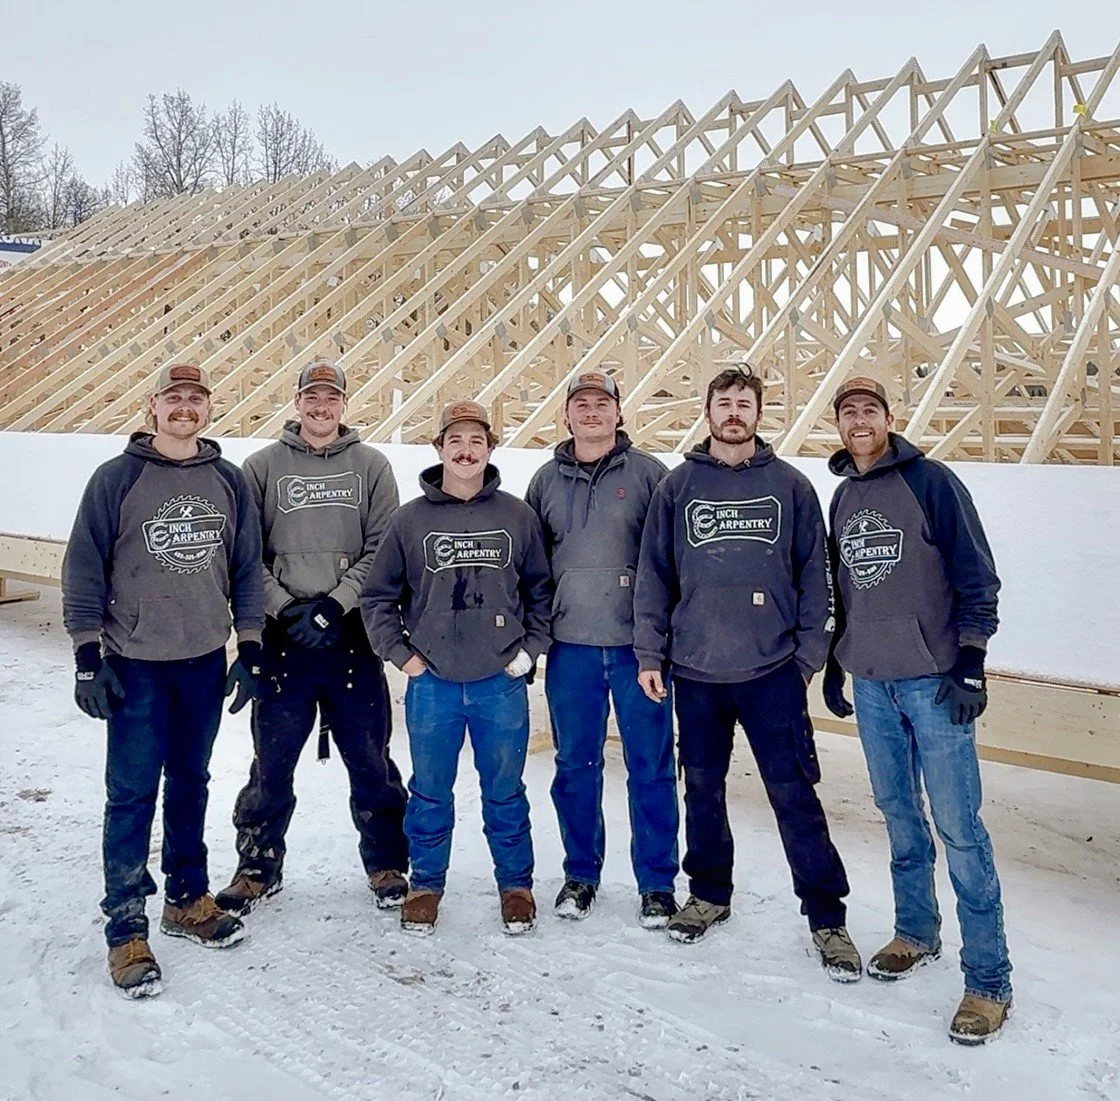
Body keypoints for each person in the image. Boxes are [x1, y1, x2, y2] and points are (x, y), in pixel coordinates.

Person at [634, 366, 861, 982]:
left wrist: (808, 657)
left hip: (771, 672)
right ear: (707, 412)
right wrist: (651, 654)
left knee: (792, 793)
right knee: (701, 788)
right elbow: (655, 576)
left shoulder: (789, 487)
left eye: (745, 404)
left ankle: (825, 914)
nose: (734, 413)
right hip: (698, 671)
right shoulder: (678, 487)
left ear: (759, 414)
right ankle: (708, 893)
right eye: (724, 403)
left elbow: (818, 577)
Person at [61, 362, 264, 999]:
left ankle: (185, 897)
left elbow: (247, 568)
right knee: (130, 794)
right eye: (173, 398)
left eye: (195, 399)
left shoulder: (228, 480)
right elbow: (84, 567)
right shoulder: (117, 479)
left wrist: (250, 646)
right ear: (152, 408)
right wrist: (87, 655)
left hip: (202, 659)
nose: (185, 408)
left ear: (208, 409)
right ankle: (125, 926)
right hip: (135, 663)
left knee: (191, 781)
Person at [823, 375, 1012, 1043]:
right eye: (848, 413)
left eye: (870, 409)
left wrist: (971, 659)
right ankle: (916, 931)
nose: (860, 421)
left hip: (934, 684)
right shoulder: (842, 496)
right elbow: (845, 590)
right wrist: (839, 662)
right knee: (899, 816)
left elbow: (976, 575)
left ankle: (988, 979)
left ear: (889, 418)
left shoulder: (931, 482)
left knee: (960, 828)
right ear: (839, 426)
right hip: (874, 686)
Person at [215, 359, 409, 916]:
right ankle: (257, 866)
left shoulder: (371, 466)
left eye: (331, 398)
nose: (321, 407)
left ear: (344, 404)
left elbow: (382, 547)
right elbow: (246, 553)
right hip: (284, 638)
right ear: (296, 402)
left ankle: (385, 861)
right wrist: (285, 607)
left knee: (370, 756)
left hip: (350, 634)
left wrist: (335, 604)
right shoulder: (261, 467)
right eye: (311, 397)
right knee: (270, 761)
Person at [362, 399, 552, 935]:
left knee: (505, 789)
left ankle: (515, 885)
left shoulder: (516, 516)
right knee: (429, 790)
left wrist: (527, 652)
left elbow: (541, 592)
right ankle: (425, 884)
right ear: (440, 448)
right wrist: (403, 656)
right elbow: (378, 598)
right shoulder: (411, 519)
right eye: (455, 441)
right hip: (434, 685)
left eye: (476, 441)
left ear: (490, 449)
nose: (465, 451)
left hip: (499, 682)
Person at [525, 370, 679, 927]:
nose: (591, 411)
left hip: (638, 652)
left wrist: (658, 645)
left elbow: (670, 564)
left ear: (619, 412)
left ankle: (657, 882)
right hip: (572, 650)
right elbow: (532, 569)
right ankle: (581, 874)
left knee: (651, 767)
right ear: (565, 414)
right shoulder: (545, 482)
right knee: (575, 766)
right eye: (580, 403)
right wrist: (533, 639)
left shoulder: (649, 476)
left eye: (602, 403)